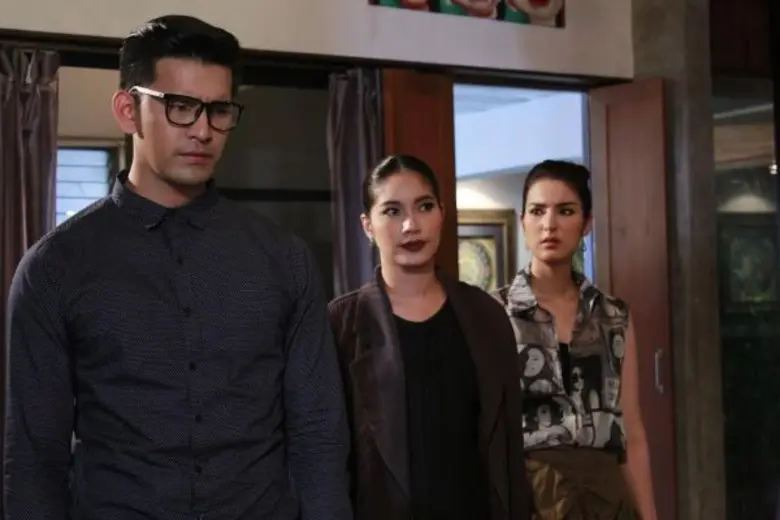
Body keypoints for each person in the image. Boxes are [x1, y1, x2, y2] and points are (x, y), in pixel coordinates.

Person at [4, 15, 351, 520]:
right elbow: (34, 457)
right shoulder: (55, 268)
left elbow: (318, 433)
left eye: (219, 110)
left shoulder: (284, 260)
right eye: (181, 107)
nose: (203, 131)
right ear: (128, 110)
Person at [328, 154, 531, 520]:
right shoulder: (340, 325)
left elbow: (509, 452)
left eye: (424, 207)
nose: (411, 225)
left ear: (441, 213)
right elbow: (326, 457)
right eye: (392, 211)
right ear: (367, 225)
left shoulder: (486, 315)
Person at [494, 160, 657, 520]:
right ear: (523, 221)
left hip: (606, 495)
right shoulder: (494, 312)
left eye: (565, 211)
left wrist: (649, 515)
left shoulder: (614, 315)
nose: (549, 224)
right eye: (538, 211)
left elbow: (632, 430)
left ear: (586, 224)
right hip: (529, 493)